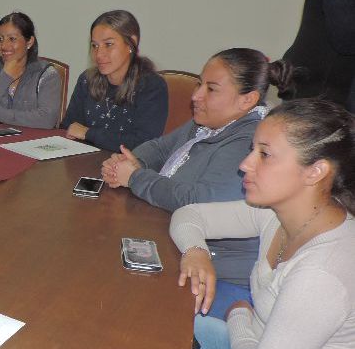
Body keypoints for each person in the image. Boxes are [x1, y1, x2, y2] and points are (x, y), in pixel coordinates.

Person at [170, 99, 355, 349]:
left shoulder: (324, 271)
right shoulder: (277, 214)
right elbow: (188, 215)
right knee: (164, 335)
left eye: (264, 155)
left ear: (315, 171)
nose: (246, 164)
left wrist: (239, 314)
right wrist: (196, 252)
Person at [102, 49, 293, 318]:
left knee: (121, 304)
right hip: (173, 235)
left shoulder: (249, 141)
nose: (196, 96)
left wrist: (134, 177)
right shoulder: (207, 122)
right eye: (199, 84)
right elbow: (159, 148)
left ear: (247, 100)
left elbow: (197, 200)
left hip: (217, 274)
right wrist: (129, 162)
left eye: (211, 89)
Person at [60, 10, 167, 152]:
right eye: (94, 45)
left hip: (125, 169)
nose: (99, 54)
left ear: (131, 44)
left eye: (108, 44)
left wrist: (88, 133)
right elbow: (69, 127)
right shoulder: (87, 80)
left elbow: (143, 144)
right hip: (83, 162)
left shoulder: (151, 86)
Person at [0, 12, 63, 128]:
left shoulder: (47, 75)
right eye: (0, 39)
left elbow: (47, 120)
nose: (4, 46)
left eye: (12, 39)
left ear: (29, 42)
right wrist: (5, 77)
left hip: (31, 143)